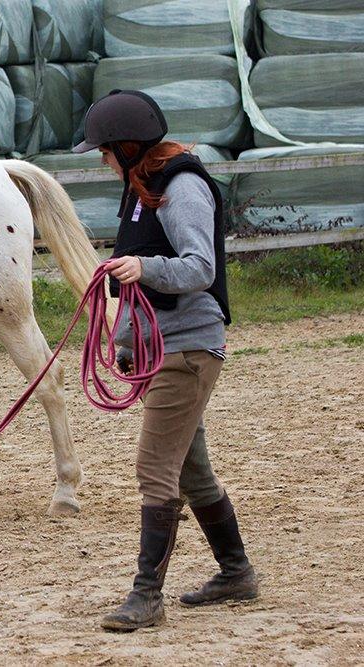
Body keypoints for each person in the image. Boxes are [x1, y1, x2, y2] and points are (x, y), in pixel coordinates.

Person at [71, 90, 259, 632]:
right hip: (163, 346)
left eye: (105, 151)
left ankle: (146, 594)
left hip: (187, 347)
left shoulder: (182, 187)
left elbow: (200, 267)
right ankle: (236, 573)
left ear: (128, 147)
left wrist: (144, 266)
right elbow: (141, 282)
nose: (102, 160)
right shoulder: (143, 187)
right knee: (192, 469)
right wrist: (127, 341)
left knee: (155, 469)